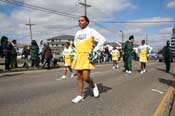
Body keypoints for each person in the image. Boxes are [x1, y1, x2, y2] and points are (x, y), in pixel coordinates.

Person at [71, 16, 106, 103]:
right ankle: (80, 95)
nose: (80, 22)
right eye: (79, 21)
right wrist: (75, 50)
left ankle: (93, 86)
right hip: (78, 56)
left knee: (86, 77)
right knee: (79, 76)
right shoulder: (77, 32)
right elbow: (75, 42)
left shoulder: (91, 31)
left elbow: (102, 39)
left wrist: (94, 50)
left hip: (87, 56)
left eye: (82, 20)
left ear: (87, 22)